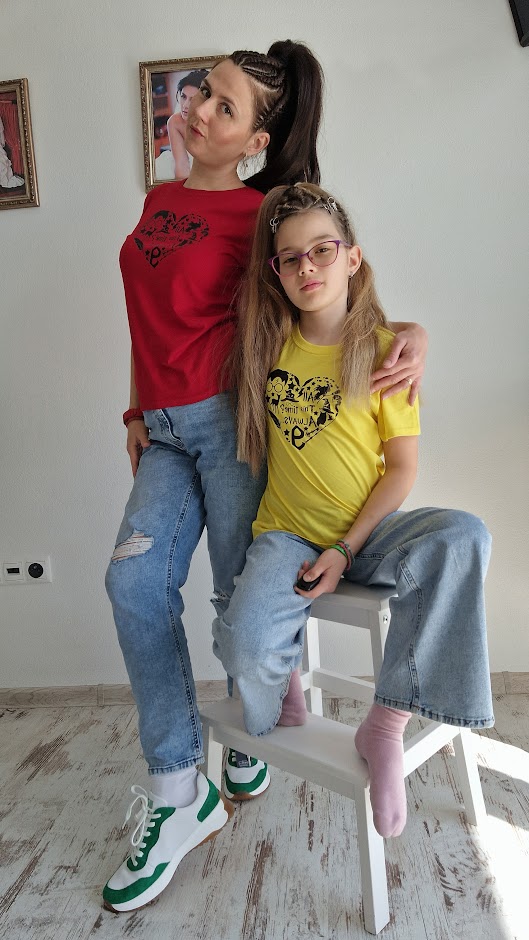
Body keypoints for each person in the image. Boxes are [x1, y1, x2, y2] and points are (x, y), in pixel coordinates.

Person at [103, 43, 428, 913]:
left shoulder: (258, 215)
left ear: (254, 142)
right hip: (162, 430)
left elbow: (324, 289)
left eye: (225, 106)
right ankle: (182, 785)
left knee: (232, 595)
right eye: (202, 92)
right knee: (132, 583)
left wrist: (410, 332)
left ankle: (235, 747)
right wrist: (134, 409)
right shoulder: (159, 199)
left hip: (231, 424)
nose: (199, 109)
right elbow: (146, 320)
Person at [212, 182, 494, 843]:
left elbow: (401, 470)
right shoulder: (266, 347)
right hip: (286, 536)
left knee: (463, 535)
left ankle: (386, 723)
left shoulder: (387, 353)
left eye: (322, 250)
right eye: (289, 258)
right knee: (245, 652)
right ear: (276, 273)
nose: (306, 267)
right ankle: (280, 668)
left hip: (369, 535)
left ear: (352, 257)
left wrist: (344, 549)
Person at [155, 69, 208, 181]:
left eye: (192, 99)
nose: (185, 105)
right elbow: (181, 165)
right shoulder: (174, 122)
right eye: (183, 96)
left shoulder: (213, 124)